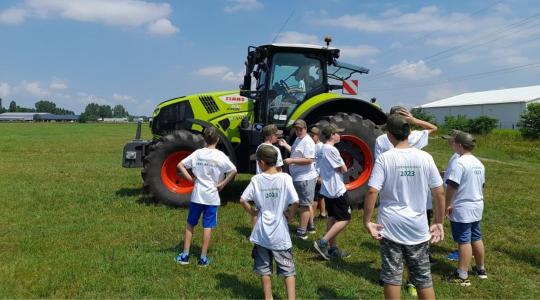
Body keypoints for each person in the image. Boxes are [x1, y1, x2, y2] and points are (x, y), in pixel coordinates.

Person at [363, 114, 445, 300]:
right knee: (423, 279)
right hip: (418, 226)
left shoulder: (385, 158)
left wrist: (367, 221)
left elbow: (371, 191)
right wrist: (439, 222)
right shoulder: (425, 157)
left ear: (390, 135)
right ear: (408, 133)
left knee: (392, 277)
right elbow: (439, 192)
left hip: (390, 226)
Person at [240, 145, 299, 300]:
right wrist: (290, 216)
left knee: (264, 269)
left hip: (261, 233)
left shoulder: (256, 180)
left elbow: (243, 199)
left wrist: (252, 211)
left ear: (262, 162)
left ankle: (268, 297)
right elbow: (296, 201)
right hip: (280, 233)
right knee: (288, 270)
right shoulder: (285, 178)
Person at [175, 127, 237, 266]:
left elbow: (180, 165)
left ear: (204, 139)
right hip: (212, 197)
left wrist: (191, 179)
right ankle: (203, 258)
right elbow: (233, 170)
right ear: (218, 140)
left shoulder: (198, 153)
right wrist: (222, 184)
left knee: (190, 224)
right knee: (207, 226)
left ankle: (185, 255)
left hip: (197, 195)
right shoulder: (220, 156)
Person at [445, 131, 487, 286]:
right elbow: (481, 185)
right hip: (477, 204)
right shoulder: (479, 163)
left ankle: (462, 275)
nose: (453, 145)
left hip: (463, 206)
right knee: (476, 237)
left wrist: (447, 204)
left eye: (454, 143)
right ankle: (481, 269)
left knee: (464, 241)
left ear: (460, 145)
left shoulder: (460, 163)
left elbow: (452, 186)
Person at [313, 123, 351, 260]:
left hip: (327, 189)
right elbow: (344, 168)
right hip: (337, 189)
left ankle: (332, 248)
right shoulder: (332, 150)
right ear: (332, 135)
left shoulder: (322, 148)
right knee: (345, 218)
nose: (339, 135)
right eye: (337, 133)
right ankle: (322, 242)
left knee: (332, 217)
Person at [279, 119, 318, 240]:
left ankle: (302, 232)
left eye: (300, 129)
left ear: (305, 129)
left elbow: (309, 160)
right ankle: (310, 227)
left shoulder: (308, 141)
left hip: (305, 178)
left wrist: (292, 161)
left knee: (304, 205)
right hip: (298, 177)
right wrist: (286, 146)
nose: (298, 131)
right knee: (304, 202)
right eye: (296, 129)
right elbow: (296, 152)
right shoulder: (298, 139)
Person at [248, 124, 285, 227]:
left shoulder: (260, 147)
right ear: (269, 136)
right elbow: (278, 168)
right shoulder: (275, 150)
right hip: (272, 183)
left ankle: (255, 232)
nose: (277, 137)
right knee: (273, 208)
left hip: (260, 182)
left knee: (258, 208)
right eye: (276, 135)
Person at [441, 129, 462, 262]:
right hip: (458, 197)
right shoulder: (456, 155)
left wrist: (448, 203)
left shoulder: (458, 158)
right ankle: (464, 248)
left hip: (456, 197)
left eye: (450, 139)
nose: (448, 141)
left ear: (457, 142)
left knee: (460, 229)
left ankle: (462, 251)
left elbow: (454, 181)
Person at [309, 125, 327, 222]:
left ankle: (311, 219)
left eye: (313, 136)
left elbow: (322, 162)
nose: (311, 138)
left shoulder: (321, 147)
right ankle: (323, 213)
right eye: (310, 135)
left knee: (314, 197)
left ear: (318, 135)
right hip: (314, 173)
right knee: (320, 195)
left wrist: (320, 175)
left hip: (317, 174)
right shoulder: (312, 145)